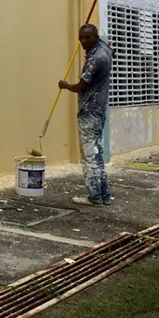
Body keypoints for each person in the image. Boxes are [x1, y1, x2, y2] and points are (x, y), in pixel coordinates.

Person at [58, 23, 113, 206]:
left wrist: (65, 85)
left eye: (87, 38)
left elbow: (81, 86)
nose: (82, 41)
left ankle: (94, 197)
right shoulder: (104, 49)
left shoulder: (96, 58)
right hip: (99, 109)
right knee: (97, 153)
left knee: (90, 156)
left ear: (96, 37)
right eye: (81, 37)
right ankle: (104, 194)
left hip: (89, 111)